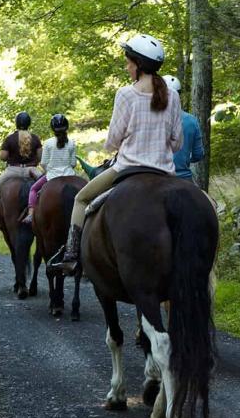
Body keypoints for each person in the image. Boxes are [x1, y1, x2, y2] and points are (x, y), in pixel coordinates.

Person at [52, 34, 183, 275]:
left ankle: (71, 256)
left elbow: (111, 143)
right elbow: (176, 143)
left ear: (139, 65)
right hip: (165, 173)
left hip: (127, 169)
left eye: (129, 62)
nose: (127, 67)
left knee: (81, 198)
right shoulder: (173, 96)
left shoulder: (126, 94)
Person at [0, 112, 43, 233]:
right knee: (47, 186)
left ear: (16, 123)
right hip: (32, 170)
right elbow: (41, 157)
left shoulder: (10, 139)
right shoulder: (35, 138)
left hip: (12, 171)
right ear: (29, 124)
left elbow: (3, 157)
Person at [23, 114, 77, 225]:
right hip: (70, 175)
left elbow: (43, 163)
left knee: (33, 189)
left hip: (52, 176)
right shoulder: (71, 143)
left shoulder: (48, 143)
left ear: (53, 128)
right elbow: (73, 164)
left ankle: (31, 214)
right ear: (66, 127)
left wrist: (50, 170)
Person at [162, 75, 205, 185]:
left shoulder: (149, 118)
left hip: (157, 177)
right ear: (179, 95)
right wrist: (184, 158)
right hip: (184, 178)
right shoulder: (191, 120)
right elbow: (198, 155)